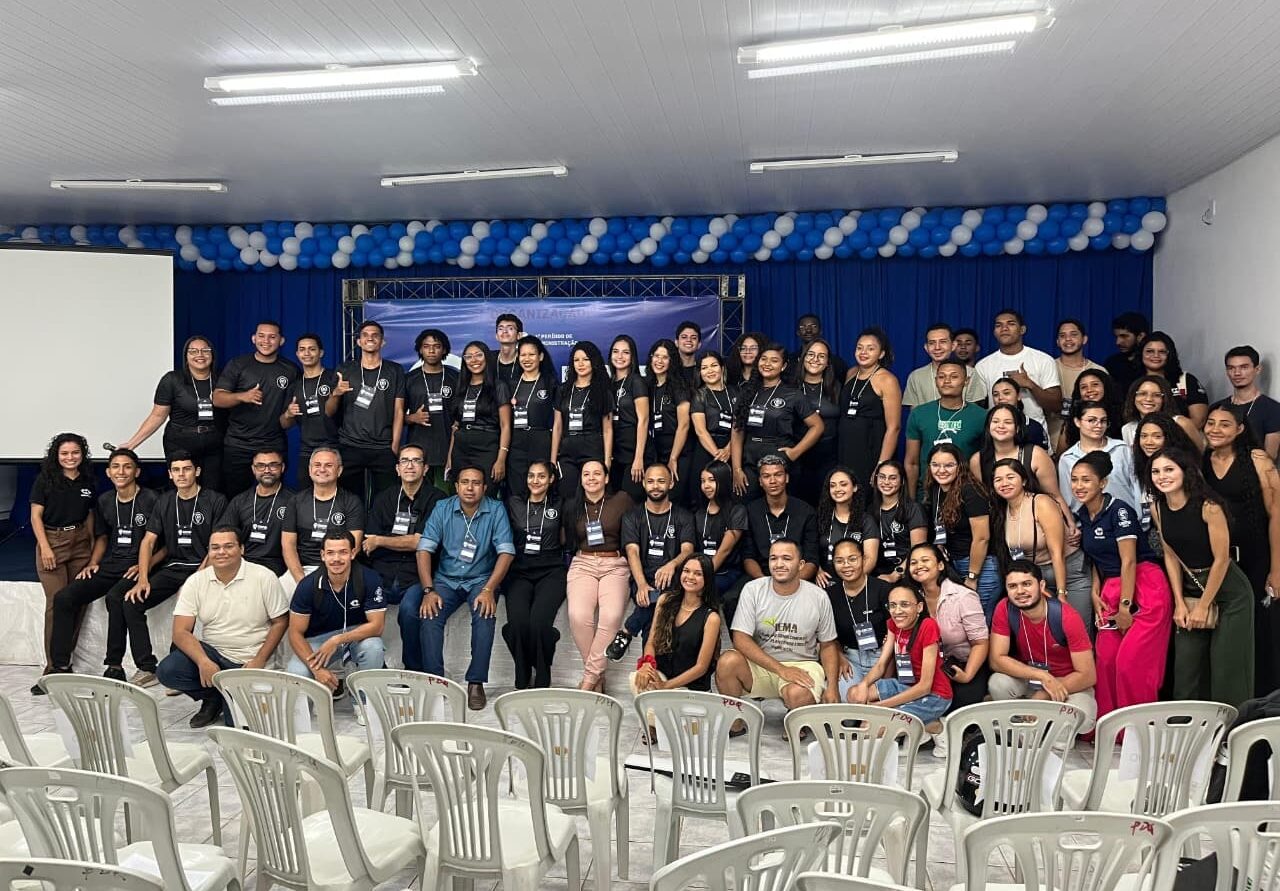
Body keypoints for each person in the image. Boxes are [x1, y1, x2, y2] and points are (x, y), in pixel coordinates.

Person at [40, 449, 159, 695]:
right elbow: (102, 537)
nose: (121, 472)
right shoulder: (105, 500)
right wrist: (93, 562)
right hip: (112, 563)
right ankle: (59, 667)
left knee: (115, 597)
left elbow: (164, 542)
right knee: (64, 597)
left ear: (137, 472)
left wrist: (145, 566)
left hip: (139, 565)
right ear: (108, 472)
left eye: (127, 467)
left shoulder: (151, 499)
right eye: (115, 467)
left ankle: (114, 666)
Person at [105, 451, 228, 687]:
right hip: (173, 567)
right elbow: (148, 542)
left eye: (187, 469)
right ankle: (146, 667)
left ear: (197, 471)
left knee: (186, 605)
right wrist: (143, 579)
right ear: (170, 474)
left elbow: (218, 545)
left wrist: (196, 579)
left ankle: (178, 670)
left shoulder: (215, 500)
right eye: (176, 470)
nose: (182, 474)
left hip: (205, 568)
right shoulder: (165, 501)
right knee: (131, 601)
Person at [1069, 451, 1171, 719]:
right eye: (1074, 479)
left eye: (1086, 480)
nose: (1079, 486)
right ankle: (1109, 728)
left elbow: (1129, 561)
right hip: (1110, 587)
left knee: (1131, 663)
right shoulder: (1082, 514)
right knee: (1105, 660)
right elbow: (1095, 558)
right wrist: (1095, 589)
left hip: (1143, 584)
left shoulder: (1119, 510)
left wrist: (1125, 606)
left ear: (1102, 483)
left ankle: (1137, 727)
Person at [1150, 448, 1255, 708]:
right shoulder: (1158, 508)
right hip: (1191, 588)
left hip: (1230, 593)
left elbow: (1222, 559)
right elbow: (1171, 556)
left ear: (1185, 472)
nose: (1162, 476)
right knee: (1186, 669)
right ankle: (1187, 726)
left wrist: (1205, 605)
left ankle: (1232, 727)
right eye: (1156, 471)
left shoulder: (1209, 507)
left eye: (1169, 469)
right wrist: (1179, 602)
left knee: (1227, 669)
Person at [156, 526, 289, 728]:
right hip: (214, 654)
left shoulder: (264, 577)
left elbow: (281, 621)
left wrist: (260, 659)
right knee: (168, 670)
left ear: (241, 549)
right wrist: (203, 661)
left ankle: (227, 697)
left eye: (228, 546)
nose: (221, 552)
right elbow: (180, 632)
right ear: (208, 551)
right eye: (215, 547)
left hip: (248, 660)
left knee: (239, 728)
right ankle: (213, 697)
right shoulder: (196, 581)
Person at [414, 464, 515, 710]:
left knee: (484, 613)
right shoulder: (443, 508)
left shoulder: (496, 509)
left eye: (476, 483)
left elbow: (506, 552)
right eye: (465, 482)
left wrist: (489, 589)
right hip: (446, 579)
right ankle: (436, 681)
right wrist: (428, 590)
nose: (470, 488)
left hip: (480, 579)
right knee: (429, 615)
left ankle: (476, 682)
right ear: (456, 486)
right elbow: (424, 549)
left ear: (485, 487)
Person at [716, 538, 841, 724]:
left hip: (803, 664)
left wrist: (832, 687)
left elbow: (828, 645)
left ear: (801, 565)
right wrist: (781, 670)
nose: (779, 564)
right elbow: (740, 639)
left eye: (786, 558)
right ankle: (735, 722)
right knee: (727, 661)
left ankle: (798, 723)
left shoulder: (818, 596)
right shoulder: (753, 589)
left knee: (796, 694)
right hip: (763, 665)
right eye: (773, 558)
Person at [1201, 406, 1280, 695]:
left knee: (1259, 628)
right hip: (1219, 559)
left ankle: (1264, 697)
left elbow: (1276, 514)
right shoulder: (1203, 460)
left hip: (1256, 558)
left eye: (1224, 424)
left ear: (1240, 429)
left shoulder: (1258, 459)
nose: (1215, 429)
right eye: (1210, 423)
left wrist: (1276, 569)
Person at [987, 560, 1098, 733]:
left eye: (1027, 584)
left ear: (1041, 585)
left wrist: (1044, 695)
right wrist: (1042, 676)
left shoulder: (1067, 616)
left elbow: (1088, 676)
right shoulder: (1005, 608)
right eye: (1013, 586)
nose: (1020, 591)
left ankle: (1039, 722)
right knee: (998, 683)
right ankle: (1026, 723)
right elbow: (996, 660)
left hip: (1067, 684)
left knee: (1083, 718)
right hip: (1032, 679)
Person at [362, 444, 441, 670]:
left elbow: (421, 542)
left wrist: (382, 540)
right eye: (405, 461)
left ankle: (413, 670)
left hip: (417, 575)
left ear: (425, 468)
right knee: (357, 605)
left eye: (416, 461)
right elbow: (369, 541)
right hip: (382, 572)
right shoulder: (384, 498)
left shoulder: (437, 499)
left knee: (408, 611)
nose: (410, 466)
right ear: (397, 469)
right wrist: (386, 541)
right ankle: (376, 668)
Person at [992, 458, 1093, 629]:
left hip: (1069, 573)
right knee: (1050, 630)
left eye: (1010, 477)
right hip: (1037, 576)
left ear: (1024, 480)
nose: (1004, 483)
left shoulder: (1041, 503)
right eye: (998, 479)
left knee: (1076, 627)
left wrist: (1061, 594)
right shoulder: (1003, 510)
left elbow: (1057, 552)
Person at [610, 463, 696, 659]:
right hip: (643, 577)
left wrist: (671, 564)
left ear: (671, 483)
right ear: (643, 484)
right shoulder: (632, 516)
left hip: (673, 579)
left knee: (655, 614)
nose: (655, 486)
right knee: (656, 600)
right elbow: (632, 552)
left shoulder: (683, 516)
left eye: (661, 481)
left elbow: (687, 550)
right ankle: (651, 667)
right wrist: (641, 584)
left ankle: (628, 631)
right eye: (650, 481)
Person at [285, 530, 386, 696]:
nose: (336, 559)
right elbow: (295, 633)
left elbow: (377, 626)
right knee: (297, 672)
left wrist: (337, 640)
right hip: (319, 640)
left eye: (343, 552)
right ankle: (311, 710)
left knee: (373, 647)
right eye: (330, 553)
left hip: (355, 635)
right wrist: (317, 670)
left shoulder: (369, 578)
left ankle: (363, 702)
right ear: (323, 555)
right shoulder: (307, 585)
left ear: (353, 553)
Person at [119, 335, 225, 492]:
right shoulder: (172, 380)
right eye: (193, 351)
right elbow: (157, 415)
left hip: (214, 444)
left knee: (213, 490)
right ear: (186, 356)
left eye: (205, 350)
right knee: (182, 489)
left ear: (212, 354)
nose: (200, 355)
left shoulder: (224, 379)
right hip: (180, 442)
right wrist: (132, 444)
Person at [29, 433, 96, 679]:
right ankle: (52, 668)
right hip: (52, 541)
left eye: (75, 452)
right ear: (56, 456)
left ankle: (64, 662)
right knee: (57, 604)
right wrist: (45, 547)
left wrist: (91, 547)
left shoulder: (88, 480)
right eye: (65, 453)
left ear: (82, 454)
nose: (70, 457)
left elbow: (89, 515)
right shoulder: (45, 480)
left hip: (80, 543)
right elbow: (35, 516)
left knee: (78, 601)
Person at [563, 459, 633, 692]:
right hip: (583, 563)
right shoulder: (573, 505)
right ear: (581, 479)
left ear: (606, 478)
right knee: (578, 615)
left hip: (615, 564)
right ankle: (596, 677)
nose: (591, 478)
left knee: (611, 616)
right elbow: (569, 540)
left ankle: (589, 680)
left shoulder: (621, 500)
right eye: (586, 474)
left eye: (596, 473)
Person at [846, 583, 952, 732]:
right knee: (855, 694)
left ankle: (933, 726)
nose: (897, 611)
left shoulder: (928, 625)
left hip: (935, 695)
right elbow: (881, 665)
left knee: (870, 727)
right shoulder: (893, 624)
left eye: (904, 605)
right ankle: (922, 725)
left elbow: (925, 686)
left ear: (919, 607)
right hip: (906, 685)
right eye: (892, 605)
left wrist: (881, 706)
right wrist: (864, 684)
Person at [214, 320, 298, 497]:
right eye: (261, 336)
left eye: (272, 337)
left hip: (272, 443)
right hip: (238, 444)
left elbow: (285, 422)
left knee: (274, 496)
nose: (266, 341)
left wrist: (290, 414)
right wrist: (242, 396)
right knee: (235, 496)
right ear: (253, 338)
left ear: (281, 341)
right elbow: (217, 399)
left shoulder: (291, 370)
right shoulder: (238, 364)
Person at [503, 461, 567, 689]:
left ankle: (542, 669)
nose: (535, 481)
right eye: (531, 476)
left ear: (551, 479)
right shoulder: (514, 503)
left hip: (551, 569)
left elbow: (565, 538)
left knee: (539, 622)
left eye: (541, 476)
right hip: (519, 570)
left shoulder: (560, 504)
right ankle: (522, 668)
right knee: (518, 623)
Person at [907, 543, 989, 721]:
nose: (918, 565)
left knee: (958, 708)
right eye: (913, 562)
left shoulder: (963, 596)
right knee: (919, 699)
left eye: (925, 560)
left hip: (963, 664)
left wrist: (967, 675)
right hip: (928, 666)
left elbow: (981, 643)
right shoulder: (911, 598)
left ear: (940, 565)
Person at [731, 342, 823, 499]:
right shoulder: (746, 392)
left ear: (783, 366)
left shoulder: (793, 394)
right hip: (749, 459)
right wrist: (736, 469)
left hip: (779, 457)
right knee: (746, 503)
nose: (767, 364)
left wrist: (795, 452)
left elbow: (818, 426)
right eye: (763, 359)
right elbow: (737, 431)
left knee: (780, 505)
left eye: (774, 360)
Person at [329, 320, 406, 500]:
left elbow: (399, 410)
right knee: (349, 499)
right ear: (358, 341)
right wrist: (336, 393)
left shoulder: (395, 370)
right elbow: (329, 411)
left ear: (382, 342)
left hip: (383, 447)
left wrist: (394, 446)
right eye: (365, 335)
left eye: (375, 335)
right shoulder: (345, 369)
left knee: (386, 499)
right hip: (350, 445)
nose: (370, 338)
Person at [738, 454, 821, 621]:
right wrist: (765, 584)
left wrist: (790, 584)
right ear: (760, 481)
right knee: (732, 599)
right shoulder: (751, 511)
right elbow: (748, 556)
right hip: (762, 576)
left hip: (797, 577)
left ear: (787, 478)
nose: (773, 481)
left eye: (778, 474)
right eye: (766, 476)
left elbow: (811, 559)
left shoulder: (806, 512)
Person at [631, 554, 721, 702]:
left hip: (691, 688)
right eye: (686, 571)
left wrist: (666, 686)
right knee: (638, 678)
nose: (690, 577)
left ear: (707, 579)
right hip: (662, 678)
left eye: (698, 574)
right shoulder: (664, 600)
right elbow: (651, 642)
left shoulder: (711, 618)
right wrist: (647, 664)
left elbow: (701, 667)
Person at [924, 444, 998, 617]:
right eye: (935, 465)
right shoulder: (936, 489)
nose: (941, 470)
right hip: (954, 564)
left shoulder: (970, 490)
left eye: (949, 465)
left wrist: (972, 577)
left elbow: (982, 538)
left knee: (977, 620)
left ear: (960, 466)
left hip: (980, 567)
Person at [280, 448, 366, 595]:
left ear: (339, 470)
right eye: (317, 465)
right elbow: (288, 545)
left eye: (328, 465)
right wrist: (302, 580)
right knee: (278, 595)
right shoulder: (295, 501)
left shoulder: (351, 501)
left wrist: (329, 576)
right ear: (309, 470)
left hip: (338, 567)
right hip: (302, 568)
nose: (322, 469)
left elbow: (354, 545)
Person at [974, 309, 1062, 440]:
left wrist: (1030, 385)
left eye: (1010, 324)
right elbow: (977, 409)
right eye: (998, 325)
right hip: (998, 438)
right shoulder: (983, 366)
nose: (1004, 328)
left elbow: (1056, 405)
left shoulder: (1043, 360)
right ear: (994, 332)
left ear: (1022, 329)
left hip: (1034, 436)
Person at [904, 359, 987, 497]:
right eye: (941, 377)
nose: (947, 381)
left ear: (966, 381)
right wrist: (912, 500)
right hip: (927, 494)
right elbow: (911, 463)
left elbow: (986, 461)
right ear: (936, 381)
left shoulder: (981, 416)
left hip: (966, 493)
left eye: (954, 376)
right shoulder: (919, 413)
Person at [973, 404, 1072, 520]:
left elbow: (1054, 496)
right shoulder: (977, 460)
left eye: (1008, 422)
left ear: (1018, 428)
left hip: (1036, 519)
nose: (1001, 426)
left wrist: (1069, 523)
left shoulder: (1036, 454)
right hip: (997, 521)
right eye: (995, 421)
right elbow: (981, 501)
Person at [837, 327, 902, 490]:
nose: (863, 352)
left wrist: (881, 465)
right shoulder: (851, 373)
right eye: (859, 348)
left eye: (870, 348)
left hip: (871, 448)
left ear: (881, 354)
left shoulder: (887, 380)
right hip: (846, 447)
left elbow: (894, 427)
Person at [445, 341, 511, 496]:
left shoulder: (498, 387)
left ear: (487, 357)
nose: (474, 360)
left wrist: (501, 459)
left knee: (486, 493)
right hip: (461, 448)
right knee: (463, 494)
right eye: (468, 357)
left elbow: (506, 425)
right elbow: (456, 425)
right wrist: (449, 457)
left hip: (487, 446)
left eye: (478, 355)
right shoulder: (461, 386)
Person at [826, 538, 892, 692]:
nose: (846, 565)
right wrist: (839, 656)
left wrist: (886, 666)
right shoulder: (829, 595)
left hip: (882, 656)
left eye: (852, 559)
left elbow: (895, 630)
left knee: (875, 699)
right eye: (839, 561)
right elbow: (826, 636)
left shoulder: (883, 589)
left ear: (863, 559)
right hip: (849, 658)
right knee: (847, 698)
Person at [552, 340, 612, 499]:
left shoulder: (602, 390)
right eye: (576, 360)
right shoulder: (563, 390)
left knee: (592, 496)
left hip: (593, 450)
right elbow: (557, 426)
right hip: (568, 451)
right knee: (568, 495)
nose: (580, 364)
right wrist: (552, 460)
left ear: (594, 361)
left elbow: (607, 429)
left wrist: (607, 461)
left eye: (585, 359)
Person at [1057, 401, 1142, 512]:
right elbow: (1068, 498)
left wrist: (1139, 515)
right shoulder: (1067, 458)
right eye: (1091, 420)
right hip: (1089, 519)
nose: (1099, 425)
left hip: (1126, 516)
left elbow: (1136, 486)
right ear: (1077, 422)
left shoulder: (1121, 449)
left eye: (1103, 421)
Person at [279, 334, 339, 489]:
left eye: (312, 349)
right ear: (297, 354)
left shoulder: (333, 378)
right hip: (307, 450)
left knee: (336, 494)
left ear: (321, 352)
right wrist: (288, 414)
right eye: (302, 349)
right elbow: (284, 424)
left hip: (335, 447)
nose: (306, 353)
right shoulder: (295, 385)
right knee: (304, 494)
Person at [217, 450, 291, 576]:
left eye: (273, 465)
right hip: (242, 566)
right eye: (261, 466)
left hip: (279, 568)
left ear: (282, 467)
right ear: (253, 469)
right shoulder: (239, 501)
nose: (267, 470)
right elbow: (223, 534)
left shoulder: (293, 501)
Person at [1131, 414, 1202, 543]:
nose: (1148, 442)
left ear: (1169, 438)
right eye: (1144, 436)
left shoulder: (1185, 468)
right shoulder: (1143, 464)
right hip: (1158, 534)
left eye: (1157, 436)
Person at [403, 328, 458, 492]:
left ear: (444, 349)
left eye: (437, 346)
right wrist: (412, 418)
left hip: (447, 451)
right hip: (418, 453)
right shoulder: (409, 379)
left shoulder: (455, 377)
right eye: (426, 346)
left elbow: (461, 416)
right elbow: (395, 416)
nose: (432, 351)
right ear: (420, 350)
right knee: (419, 498)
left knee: (444, 498)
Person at [505, 335, 558, 499]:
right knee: (517, 489)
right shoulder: (511, 384)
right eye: (523, 355)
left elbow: (558, 422)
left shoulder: (550, 383)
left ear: (540, 356)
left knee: (541, 488)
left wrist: (553, 458)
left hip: (541, 440)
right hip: (516, 443)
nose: (527, 359)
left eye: (531, 354)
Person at [794, 338, 842, 504]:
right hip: (798, 458)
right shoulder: (790, 386)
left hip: (829, 459)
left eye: (821, 356)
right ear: (802, 358)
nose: (815, 359)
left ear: (828, 362)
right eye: (811, 354)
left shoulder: (836, 388)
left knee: (826, 505)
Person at [646, 339, 693, 506]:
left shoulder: (679, 386)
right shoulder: (648, 385)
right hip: (657, 450)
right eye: (656, 356)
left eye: (665, 357)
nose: (659, 361)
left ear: (672, 361)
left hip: (679, 451)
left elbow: (684, 424)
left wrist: (673, 457)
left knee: (675, 497)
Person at [695, 461, 748, 607]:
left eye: (711, 480)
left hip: (727, 572)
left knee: (703, 590)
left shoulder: (737, 511)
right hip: (701, 569)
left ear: (723, 481)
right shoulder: (699, 512)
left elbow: (724, 551)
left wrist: (703, 577)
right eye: (703, 481)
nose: (706, 485)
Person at [815, 467, 879, 587]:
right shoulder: (820, 518)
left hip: (855, 584)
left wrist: (851, 582)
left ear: (854, 488)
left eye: (843, 484)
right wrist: (816, 570)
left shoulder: (866, 520)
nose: (837, 489)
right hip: (824, 583)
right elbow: (809, 550)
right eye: (832, 486)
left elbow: (870, 559)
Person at [1213, 346, 1280, 459]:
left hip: (1254, 468)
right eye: (1231, 368)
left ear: (1257, 369)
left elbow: (1270, 457)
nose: (1237, 373)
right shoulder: (1217, 407)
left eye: (1244, 367)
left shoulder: (1272, 409)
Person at [869, 460, 928, 583]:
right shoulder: (870, 510)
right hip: (878, 574)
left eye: (893, 478)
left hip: (908, 572)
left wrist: (896, 574)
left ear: (902, 481)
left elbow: (918, 550)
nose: (886, 482)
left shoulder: (913, 509)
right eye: (882, 477)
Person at [608, 334, 651, 503]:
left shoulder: (636, 381)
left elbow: (643, 421)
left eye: (625, 352)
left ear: (632, 356)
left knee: (629, 502)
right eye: (616, 351)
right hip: (616, 453)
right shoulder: (609, 383)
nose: (620, 356)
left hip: (634, 452)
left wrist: (638, 458)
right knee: (614, 503)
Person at [1050, 319, 1105, 449]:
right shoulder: (1048, 367)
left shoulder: (1098, 371)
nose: (1068, 339)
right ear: (1057, 342)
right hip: (1050, 443)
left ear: (1084, 339)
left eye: (1073, 334)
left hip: (1089, 444)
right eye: (1062, 336)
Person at [902, 323, 987, 408]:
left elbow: (974, 411)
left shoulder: (970, 373)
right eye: (932, 343)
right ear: (926, 348)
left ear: (953, 345)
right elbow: (914, 413)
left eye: (943, 342)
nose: (937, 347)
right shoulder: (916, 376)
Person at [690, 352, 737, 503]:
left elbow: (740, 424)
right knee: (703, 496)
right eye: (704, 368)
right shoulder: (699, 395)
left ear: (722, 368)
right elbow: (700, 431)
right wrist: (718, 455)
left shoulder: (735, 392)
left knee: (730, 494)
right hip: (707, 449)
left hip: (733, 447)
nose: (709, 370)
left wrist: (729, 449)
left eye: (714, 365)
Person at [1140, 332, 1208, 428]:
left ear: (1170, 354)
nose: (1156, 355)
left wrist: (1168, 435)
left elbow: (1199, 420)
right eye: (1150, 351)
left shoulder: (1186, 380)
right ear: (1141, 353)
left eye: (1162, 352)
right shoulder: (1131, 381)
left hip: (1182, 436)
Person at [1122, 374, 1203, 448]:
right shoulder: (1127, 429)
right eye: (1142, 394)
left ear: (1164, 399)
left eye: (1157, 395)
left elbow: (1199, 453)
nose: (1149, 399)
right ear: (1133, 397)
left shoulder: (1181, 423)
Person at [1057, 368, 1124, 453]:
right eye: (1083, 387)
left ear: (1106, 387)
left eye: (1095, 385)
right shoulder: (1072, 422)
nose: (1089, 390)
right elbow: (1061, 456)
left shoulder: (1122, 416)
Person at [990, 377, 1050, 450]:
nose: (1000, 397)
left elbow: (1043, 455)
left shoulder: (1034, 427)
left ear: (1018, 396)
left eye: (1006, 393)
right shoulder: (989, 426)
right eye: (996, 394)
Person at [1104, 311, 1149, 396]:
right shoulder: (1112, 363)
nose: (1118, 342)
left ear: (1140, 336)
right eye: (1116, 337)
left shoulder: (1151, 362)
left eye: (1124, 336)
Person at [795, 313, 848, 382]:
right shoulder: (790, 361)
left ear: (820, 331)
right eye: (803, 327)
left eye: (814, 326)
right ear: (798, 332)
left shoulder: (836, 363)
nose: (808, 330)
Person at [493, 313, 523, 389]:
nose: (505, 331)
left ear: (519, 335)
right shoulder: (488, 358)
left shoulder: (525, 360)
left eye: (510, 328)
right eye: (500, 329)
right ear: (496, 336)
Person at [674, 320, 702, 386]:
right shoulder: (669, 370)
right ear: (676, 342)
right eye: (684, 337)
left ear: (699, 344)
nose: (689, 340)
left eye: (693, 338)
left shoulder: (703, 370)